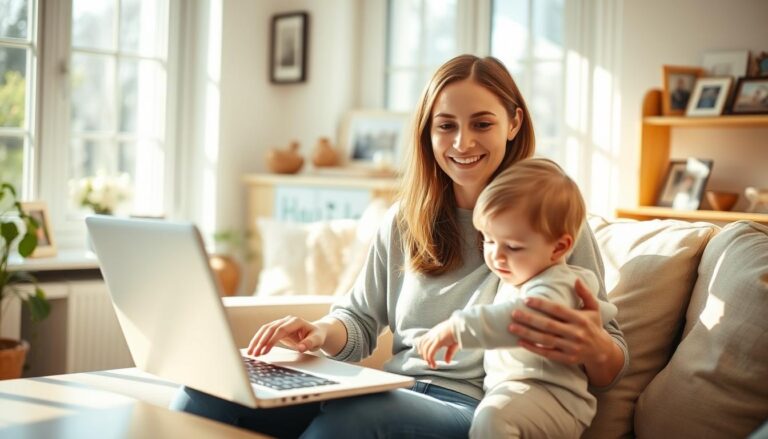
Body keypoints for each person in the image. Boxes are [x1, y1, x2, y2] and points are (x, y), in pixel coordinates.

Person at [170, 54, 628, 438]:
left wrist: (593, 347)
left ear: (513, 123)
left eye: (481, 123)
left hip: (475, 407)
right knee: (204, 394)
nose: (462, 142)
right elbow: (360, 319)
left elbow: (610, 363)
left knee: (353, 419)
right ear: (427, 133)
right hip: (390, 386)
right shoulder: (406, 220)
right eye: (445, 126)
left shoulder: (553, 225)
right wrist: (318, 332)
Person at [417, 157, 618, 437]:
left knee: (492, 420)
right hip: (517, 392)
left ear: (559, 248)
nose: (496, 255)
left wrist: (458, 327)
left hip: (552, 397)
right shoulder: (517, 279)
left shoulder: (558, 284)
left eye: (512, 246)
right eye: (488, 239)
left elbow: (525, 318)